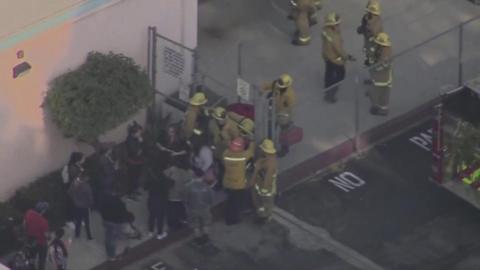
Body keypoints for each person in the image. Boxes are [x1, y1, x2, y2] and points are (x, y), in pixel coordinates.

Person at [322, 12, 356, 103]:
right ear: (332, 25)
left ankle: (327, 88)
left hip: (327, 56)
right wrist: (348, 57)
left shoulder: (325, 31)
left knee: (328, 73)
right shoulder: (334, 37)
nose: (339, 25)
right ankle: (330, 94)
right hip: (335, 59)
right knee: (340, 75)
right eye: (337, 24)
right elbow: (340, 51)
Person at [222, 137, 255, 225]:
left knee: (230, 201)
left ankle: (229, 217)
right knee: (236, 203)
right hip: (238, 185)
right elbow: (251, 151)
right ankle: (233, 219)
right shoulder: (243, 156)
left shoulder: (225, 154)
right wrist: (251, 142)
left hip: (227, 182)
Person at [262, 74, 296, 157]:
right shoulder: (275, 84)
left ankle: (284, 149)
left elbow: (291, 108)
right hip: (274, 112)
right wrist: (261, 91)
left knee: (284, 133)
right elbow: (266, 85)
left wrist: (287, 119)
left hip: (284, 116)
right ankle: (268, 146)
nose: (279, 85)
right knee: (270, 129)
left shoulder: (290, 96)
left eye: (281, 85)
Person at [98, 185, 130, 261]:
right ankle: (115, 252)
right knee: (116, 237)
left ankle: (111, 255)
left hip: (107, 221)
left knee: (109, 238)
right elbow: (123, 214)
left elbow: (101, 210)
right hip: (117, 222)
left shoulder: (104, 201)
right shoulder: (120, 203)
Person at [184, 170, 214, 246]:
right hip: (205, 209)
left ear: (194, 176)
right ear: (203, 176)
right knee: (206, 224)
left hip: (193, 209)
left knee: (195, 225)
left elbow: (186, 199)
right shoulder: (207, 187)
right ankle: (206, 239)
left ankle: (198, 240)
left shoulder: (188, 186)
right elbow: (211, 200)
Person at [144, 161, 173, 240]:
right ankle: (160, 234)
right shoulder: (163, 178)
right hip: (161, 201)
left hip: (151, 200)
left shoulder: (151, 179)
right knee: (160, 217)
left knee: (152, 216)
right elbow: (171, 184)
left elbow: (145, 187)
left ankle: (151, 231)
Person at [251, 139, 278, 224]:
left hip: (264, 190)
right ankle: (263, 216)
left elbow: (267, 179)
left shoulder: (267, 163)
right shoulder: (268, 161)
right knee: (263, 205)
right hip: (262, 189)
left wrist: (263, 191)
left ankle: (263, 217)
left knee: (262, 205)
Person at [164, 155, 192, 231]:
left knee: (171, 212)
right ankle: (183, 219)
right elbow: (189, 183)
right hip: (181, 196)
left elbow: (163, 180)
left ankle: (172, 225)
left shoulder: (168, 171)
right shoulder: (186, 172)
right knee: (181, 208)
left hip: (170, 196)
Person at [368, 32, 393, 116]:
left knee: (381, 94)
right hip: (381, 78)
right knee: (379, 93)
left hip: (382, 79)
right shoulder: (384, 49)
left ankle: (382, 110)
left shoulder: (386, 54)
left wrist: (374, 68)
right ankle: (376, 101)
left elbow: (382, 66)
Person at [357, 1, 383, 71]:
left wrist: (364, 28)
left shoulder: (375, 23)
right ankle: (370, 62)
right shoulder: (368, 18)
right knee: (369, 58)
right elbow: (363, 25)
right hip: (369, 44)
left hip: (373, 46)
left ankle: (374, 75)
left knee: (373, 62)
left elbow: (371, 33)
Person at [24, 201, 50, 270]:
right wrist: (49, 237)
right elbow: (46, 235)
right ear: (43, 211)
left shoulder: (29, 212)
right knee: (42, 259)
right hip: (41, 242)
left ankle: (30, 267)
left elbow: (24, 223)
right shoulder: (43, 222)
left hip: (30, 240)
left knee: (31, 256)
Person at [67, 174, 94, 240]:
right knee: (87, 222)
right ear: (85, 177)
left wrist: (74, 200)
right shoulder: (86, 186)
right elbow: (90, 197)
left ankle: (77, 235)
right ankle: (89, 236)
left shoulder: (74, 183)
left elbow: (69, 192)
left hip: (76, 206)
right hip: (84, 207)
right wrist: (91, 205)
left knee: (78, 221)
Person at [125, 122, 146, 201]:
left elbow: (143, 149)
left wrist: (141, 143)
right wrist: (140, 143)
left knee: (137, 177)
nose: (141, 134)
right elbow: (137, 152)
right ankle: (130, 195)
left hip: (139, 161)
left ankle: (135, 190)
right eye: (139, 132)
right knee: (132, 179)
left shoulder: (137, 138)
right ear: (134, 133)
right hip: (133, 162)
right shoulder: (129, 140)